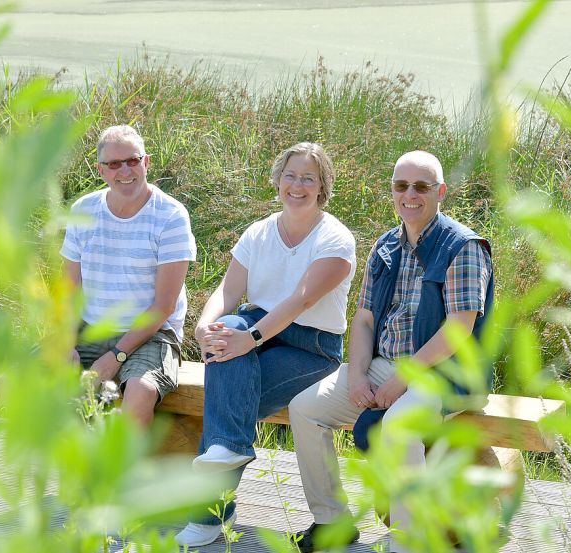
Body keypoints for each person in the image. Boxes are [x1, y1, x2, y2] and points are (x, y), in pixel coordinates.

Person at [288, 150, 494, 553]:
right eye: (401, 186)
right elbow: (364, 319)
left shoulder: (464, 247)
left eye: (421, 187)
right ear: (393, 191)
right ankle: (332, 520)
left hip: (444, 373)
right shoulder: (385, 246)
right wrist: (360, 374)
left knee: (398, 427)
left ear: (441, 193)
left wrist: (402, 380)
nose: (410, 195)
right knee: (305, 409)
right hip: (384, 366)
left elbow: (458, 330)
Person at [173, 142, 357, 547]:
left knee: (230, 401)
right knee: (225, 336)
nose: (298, 185)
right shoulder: (259, 232)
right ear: (278, 180)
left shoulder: (336, 239)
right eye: (290, 175)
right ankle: (227, 453)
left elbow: (301, 300)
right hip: (255, 329)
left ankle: (208, 514)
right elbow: (228, 288)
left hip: (312, 347)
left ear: (323, 186)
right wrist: (206, 327)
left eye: (309, 178)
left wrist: (249, 339)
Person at [61, 124, 197, 426]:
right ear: (101, 170)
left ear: (146, 162)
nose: (125, 170)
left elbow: (163, 307)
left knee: (141, 391)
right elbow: (69, 290)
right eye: (114, 163)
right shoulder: (83, 210)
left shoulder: (171, 216)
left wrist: (115, 358)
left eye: (132, 161)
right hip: (91, 326)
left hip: (152, 334)